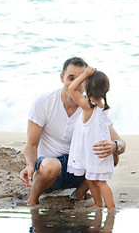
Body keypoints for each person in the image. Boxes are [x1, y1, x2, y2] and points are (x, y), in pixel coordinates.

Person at [20, 57, 127, 205]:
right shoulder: (44, 102)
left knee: (111, 155)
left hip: (79, 168)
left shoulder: (92, 107)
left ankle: (79, 193)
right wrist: (30, 165)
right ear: (62, 78)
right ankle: (32, 201)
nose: (76, 84)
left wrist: (115, 146)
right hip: (50, 172)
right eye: (71, 78)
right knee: (51, 165)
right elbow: (31, 145)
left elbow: (120, 142)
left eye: (81, 79)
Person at [66, 66, 117, 211]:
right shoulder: (103, 107)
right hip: (98, 151)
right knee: (91, 179)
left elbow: (71, 89)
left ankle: (111, 207)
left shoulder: (88, 107)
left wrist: (84, 74)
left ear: (87, 88)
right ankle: (99, 203)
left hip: (96, 152)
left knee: (101, 182)